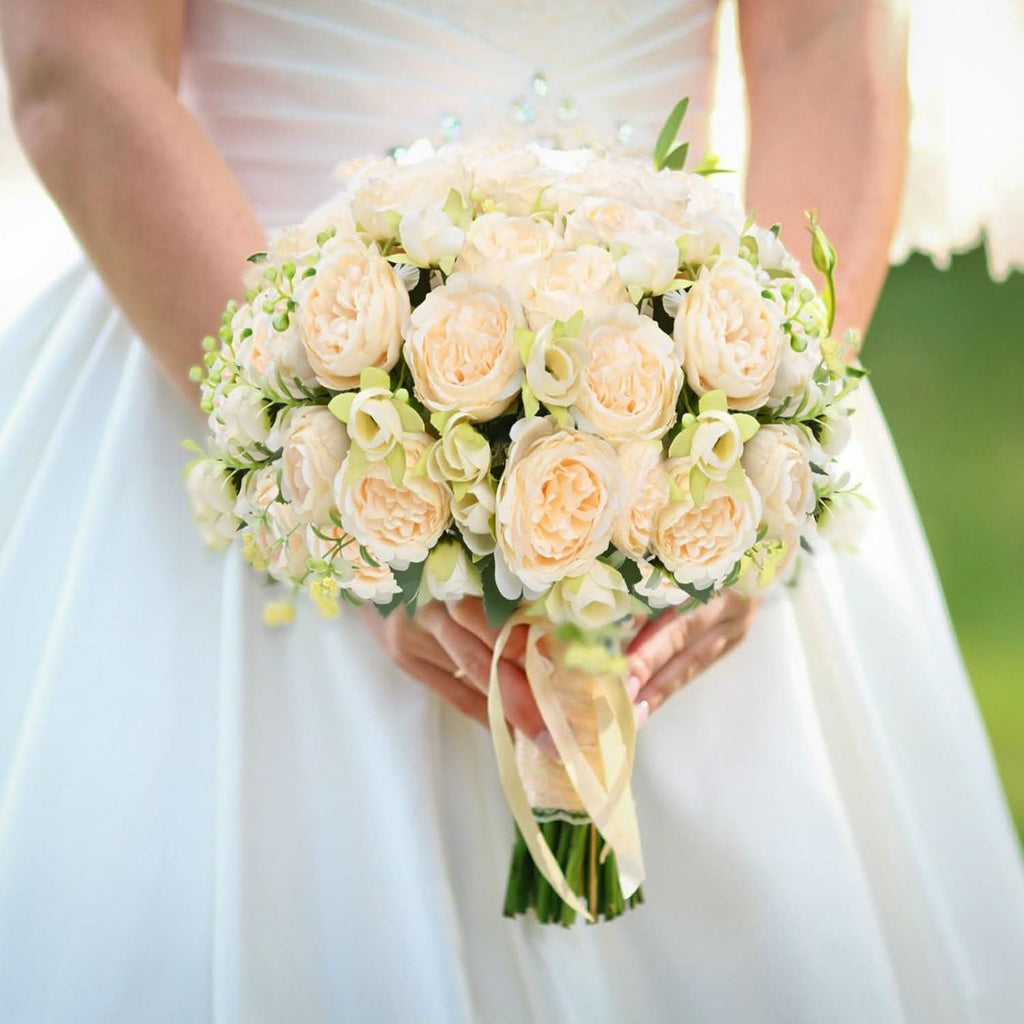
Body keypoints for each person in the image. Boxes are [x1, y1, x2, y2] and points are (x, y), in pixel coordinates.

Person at [0, 1, 1022, 1021]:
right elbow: (77, 62)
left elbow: (824, 36)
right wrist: (326, 475)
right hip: (224, 337)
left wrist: (762, 450)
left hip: (689, 396)